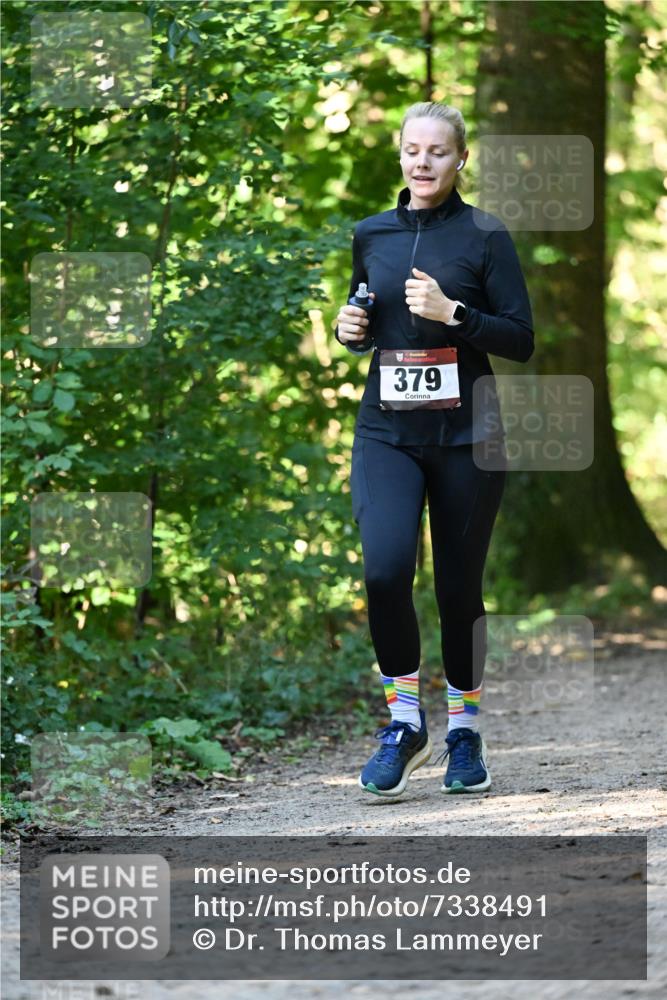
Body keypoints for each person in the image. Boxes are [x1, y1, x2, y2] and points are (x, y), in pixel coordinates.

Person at [333, 101, 534, 798]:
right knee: (386, 572)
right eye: (412, 150)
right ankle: (403, 723)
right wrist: (349, 327)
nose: (422, 163)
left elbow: (521, 338)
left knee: (456, 589)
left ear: (459, 160)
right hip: (386, 432)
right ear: (400, 156)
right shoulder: (372, 233)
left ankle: (464, 733)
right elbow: (365, 316)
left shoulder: (484, 236)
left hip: (467, 439)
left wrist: (457, 316)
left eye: (437, 152)